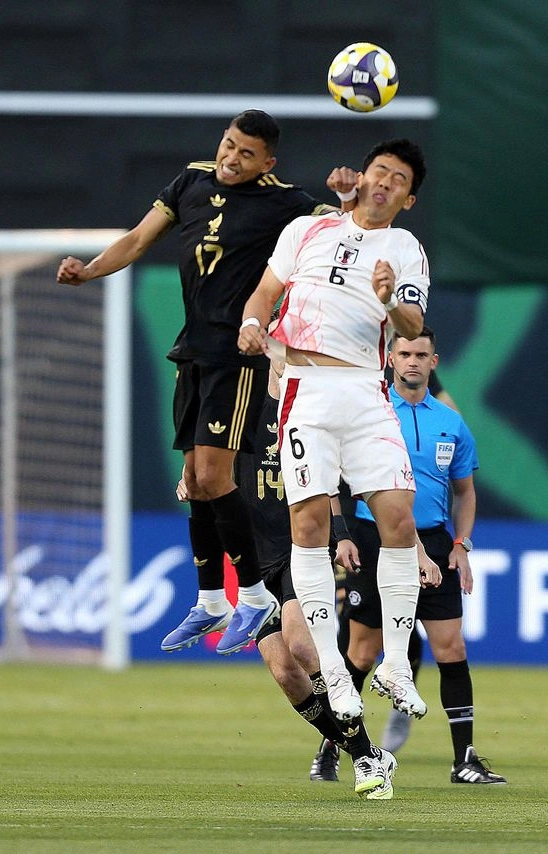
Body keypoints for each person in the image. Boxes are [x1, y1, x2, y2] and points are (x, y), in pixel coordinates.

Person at [57, 110, 356, 656]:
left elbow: (342, 230)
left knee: (216, 474)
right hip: (193, 350)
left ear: (268, 163)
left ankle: (258, 594)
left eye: (246, 153)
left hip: (236, 354)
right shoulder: (189, 181)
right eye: (228, 145)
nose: (231, 158)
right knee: (194, 480)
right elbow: (137, 240)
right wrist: (90, 269)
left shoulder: (284, 202)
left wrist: (347, 200)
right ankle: (213, 600)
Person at [237, 139, 433, 759]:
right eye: (379, 172)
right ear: (367, 176)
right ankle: (336, 675)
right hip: (307, 386)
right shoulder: (308, 229)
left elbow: (410, 327)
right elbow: (266, 294)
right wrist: (250, 323)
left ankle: (396, 667)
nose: (383, 184)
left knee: (399, 517)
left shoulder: (405, 250)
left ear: (408, 198)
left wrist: (389, 299)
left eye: (397, 180)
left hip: (365, 389)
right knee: (311, 525)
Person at [227, 342, 396, 799]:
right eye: (283, 351)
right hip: (252, 558)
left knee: (302, 642)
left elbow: (332, 486)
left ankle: (361, 758)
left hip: (300, 548)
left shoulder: (311, 410)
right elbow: (213, 462)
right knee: (284, 671)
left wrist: (340, 533)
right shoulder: (241, 408)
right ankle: (366, 752)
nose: (290, 360)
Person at [341, 328, 506, 785]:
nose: (412, 362)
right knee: (361, 650)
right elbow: (343, 480)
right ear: (390, 359)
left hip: (434, 541)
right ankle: (334, 749)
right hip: (375, 537)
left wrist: (461, 544)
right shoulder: (372, 415)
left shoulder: (450, 422)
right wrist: (343, 536)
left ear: (435, 362)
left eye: (421, 355)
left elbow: (465, 492)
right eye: (404, 353)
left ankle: (465, 760)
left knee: (451, 647)